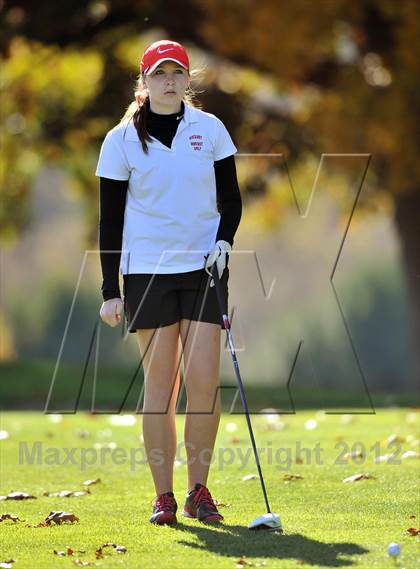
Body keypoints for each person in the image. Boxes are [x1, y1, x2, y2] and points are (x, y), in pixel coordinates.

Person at [96, 39, 242, 525]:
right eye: (159, 74)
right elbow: (109, 221)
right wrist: (109, 289)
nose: (169, 81)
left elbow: (232, 201)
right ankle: (164, 497)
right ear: (144, 82)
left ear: (187, 79)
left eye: (177, 73)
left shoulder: (210, 129)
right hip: (146, 272)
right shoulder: (120, 141)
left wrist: (224, 243)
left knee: (203, 384)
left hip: (204, 268)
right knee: (161, 386)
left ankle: (200, 490)